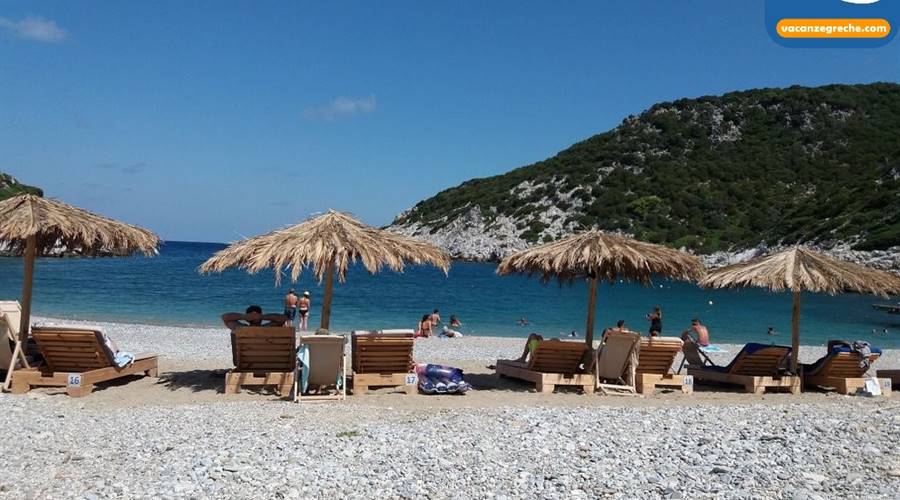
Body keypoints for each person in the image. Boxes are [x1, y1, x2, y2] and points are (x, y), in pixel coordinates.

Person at [221, 305, 287, 331]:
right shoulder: (269, 327)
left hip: (246, 359)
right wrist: (263, 316)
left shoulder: (240, 329)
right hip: (269, 359)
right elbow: (284, 318)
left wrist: (243, 316)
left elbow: (224, 317)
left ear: (247, 319)